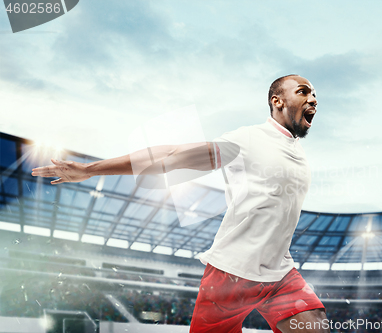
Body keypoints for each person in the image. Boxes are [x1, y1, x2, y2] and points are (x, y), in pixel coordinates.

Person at [32, 74, 329, 333]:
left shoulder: (298, 152)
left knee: (314, 323)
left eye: (315, 94)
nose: (313, 98)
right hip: (231, 275)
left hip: (279, 273)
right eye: (303, 91)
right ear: (277, 101)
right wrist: (90, 169)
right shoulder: (248, 139)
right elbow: (170, 155)